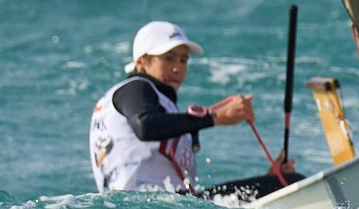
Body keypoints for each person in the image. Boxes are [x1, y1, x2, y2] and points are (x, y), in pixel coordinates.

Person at [89, 21, 298, 199]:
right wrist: (216, 117)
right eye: (168, 58)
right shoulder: (135, 87)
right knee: (292, 183)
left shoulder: (140, 99)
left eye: (183, 60)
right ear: (142, 63)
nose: (177, 68)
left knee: (275, 185)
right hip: (153, 208)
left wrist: (269, 178)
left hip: (160, 208)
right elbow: (145, 126)